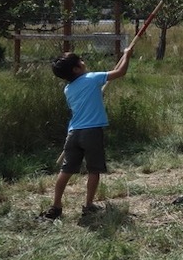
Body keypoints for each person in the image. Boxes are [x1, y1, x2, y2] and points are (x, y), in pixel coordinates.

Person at [40, 47, 133, 220]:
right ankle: (89, 205)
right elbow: (121, 72)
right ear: (76, 68)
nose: (83, 62)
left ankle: (56, 205)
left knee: (66, 170)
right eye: (80, 61)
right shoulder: (92, 78)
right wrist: (127, 54)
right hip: (92, 133)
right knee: (94, 170)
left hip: (73, 133)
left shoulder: (68, 89)